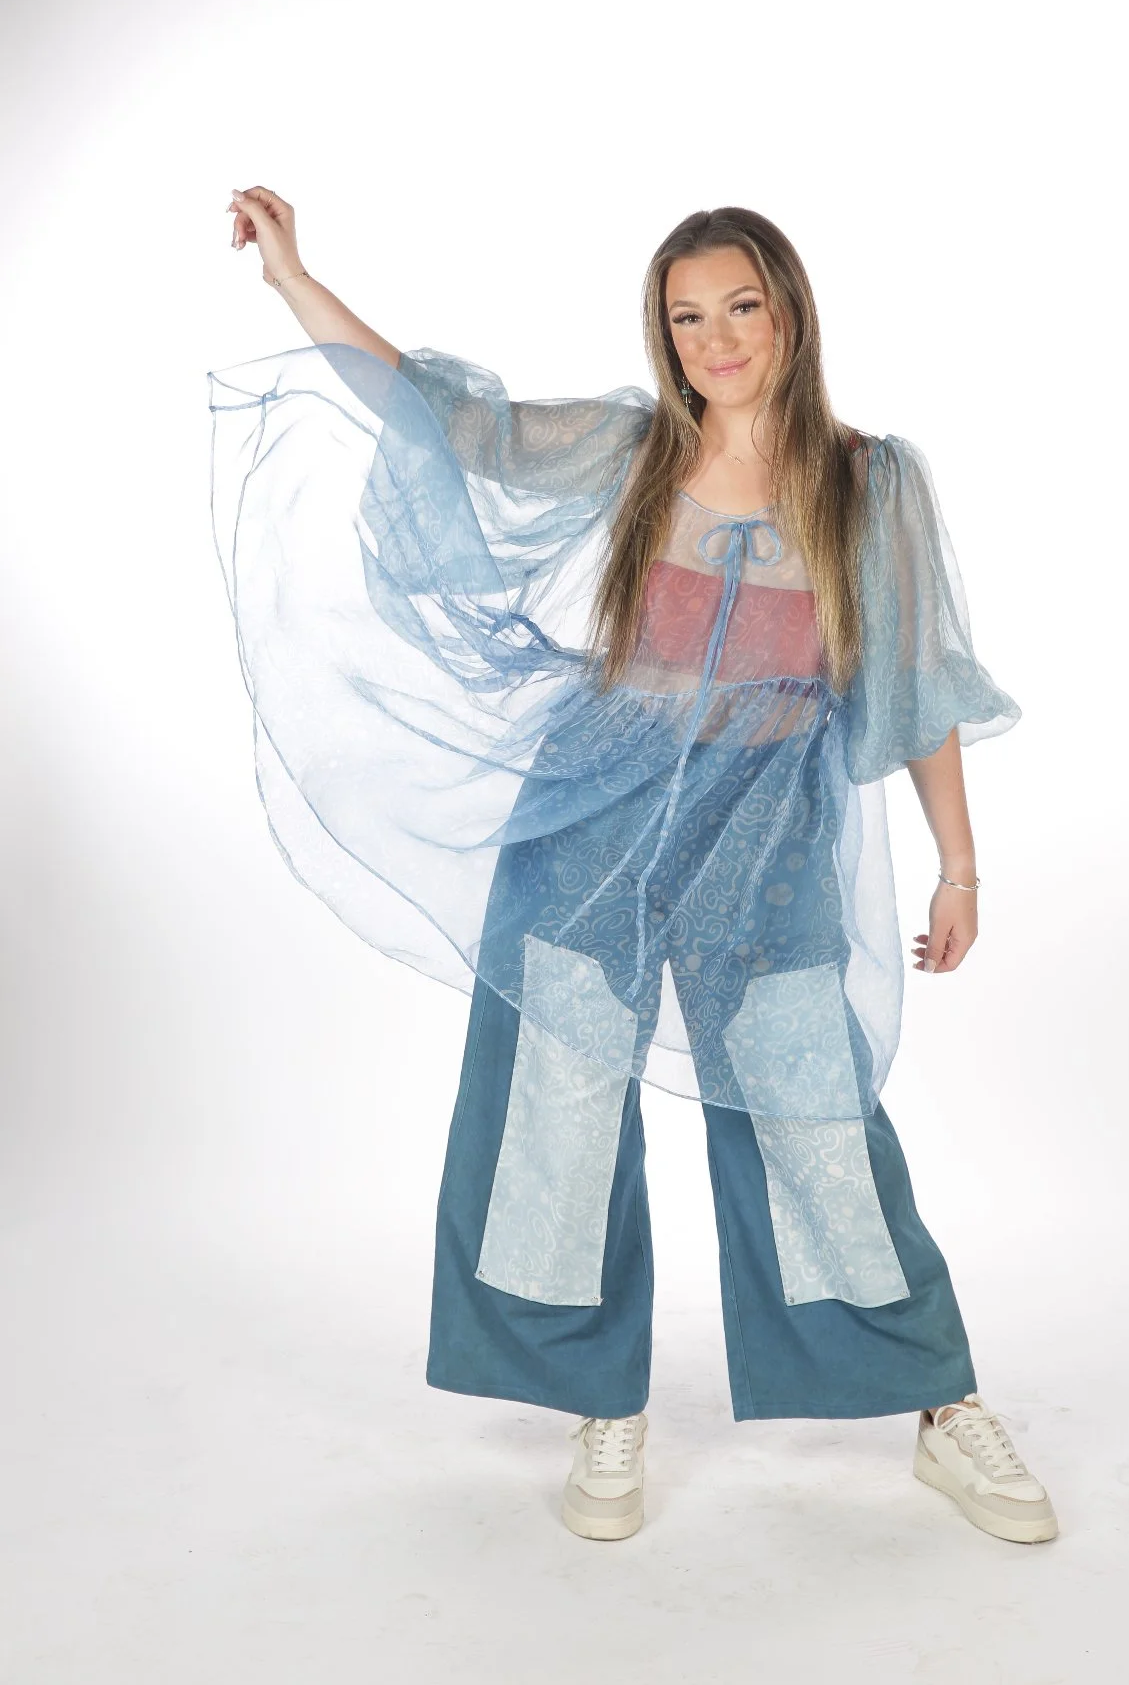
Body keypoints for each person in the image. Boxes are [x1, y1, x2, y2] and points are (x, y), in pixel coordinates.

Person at [210, 187, 1058, 1547]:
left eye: (740, 306)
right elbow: (445, 423)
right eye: (687, 316)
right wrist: (295, 284)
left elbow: (913, 685)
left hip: (765, 837)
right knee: (554, 1108)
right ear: (662, 338)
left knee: (811, 1118)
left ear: (786, 311)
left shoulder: (869, 481)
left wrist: (958, 866)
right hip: (590, 824)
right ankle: (600, 1403)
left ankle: (936, 1404)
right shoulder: (629, 449)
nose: (716, 338)